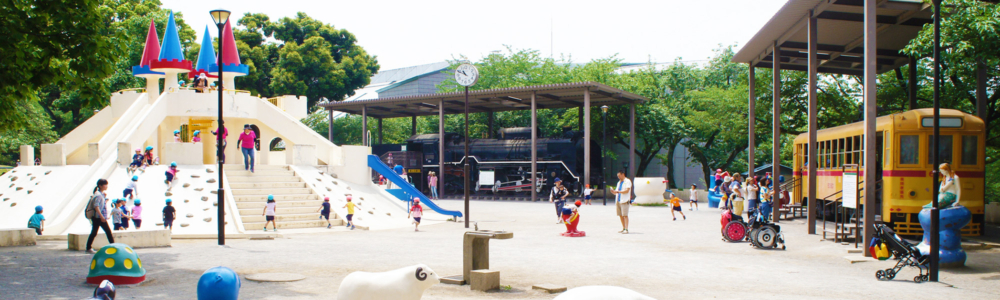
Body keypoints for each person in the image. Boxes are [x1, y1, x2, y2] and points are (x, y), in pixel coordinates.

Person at [85, 179, 115, 253]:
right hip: (98, 217)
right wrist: (102, 216)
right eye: (105, 184)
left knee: (95, 232)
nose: (106, 186)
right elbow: (96, 206)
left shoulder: (99, 194)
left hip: (98, 217)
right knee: (107, 231)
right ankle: (114, 246)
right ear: (100, 186)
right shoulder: (98, 195)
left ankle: (88, 247)